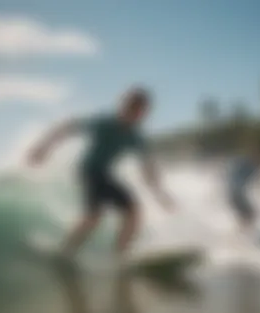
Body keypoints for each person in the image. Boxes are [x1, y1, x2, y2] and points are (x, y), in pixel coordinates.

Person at [27, 87, 175, 263]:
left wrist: (160, 194)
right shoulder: (105, 123)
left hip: (104, 173)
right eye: (132, 108)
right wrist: (42, 148)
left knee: (131, 212)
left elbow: (148, 168)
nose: (136, 114)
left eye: (141, 111)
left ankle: (119, 256)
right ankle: (66, 253)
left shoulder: (135, 137)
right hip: (89, 170)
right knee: (95, 216)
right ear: (124, 107)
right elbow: (68, 127)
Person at [227, 142, 260, 235]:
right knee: (249, 214)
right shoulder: (248, 165)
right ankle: (244, 233)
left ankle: (243, 232)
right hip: (236, 193)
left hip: (235, 193)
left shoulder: (250, 166)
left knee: (248, 214)